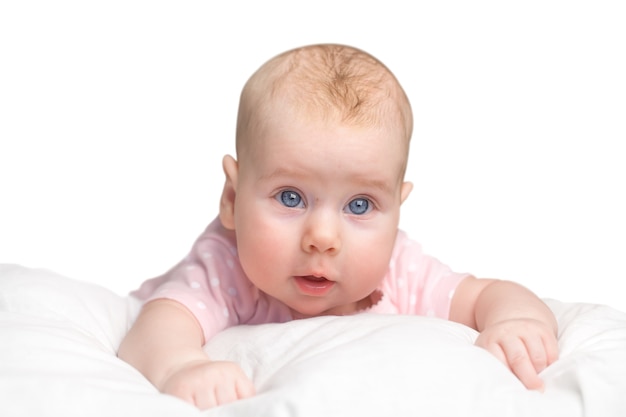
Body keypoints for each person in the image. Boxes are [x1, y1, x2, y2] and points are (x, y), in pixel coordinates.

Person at [117, 43, 559, 410]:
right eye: (291, 197)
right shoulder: (227, 262)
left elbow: (486, 295)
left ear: (397, 210)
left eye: (361, 204)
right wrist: (181, 367)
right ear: (232, 199)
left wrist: (516, 320)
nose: (323, 239)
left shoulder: (397, 271)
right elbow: (158, 327)